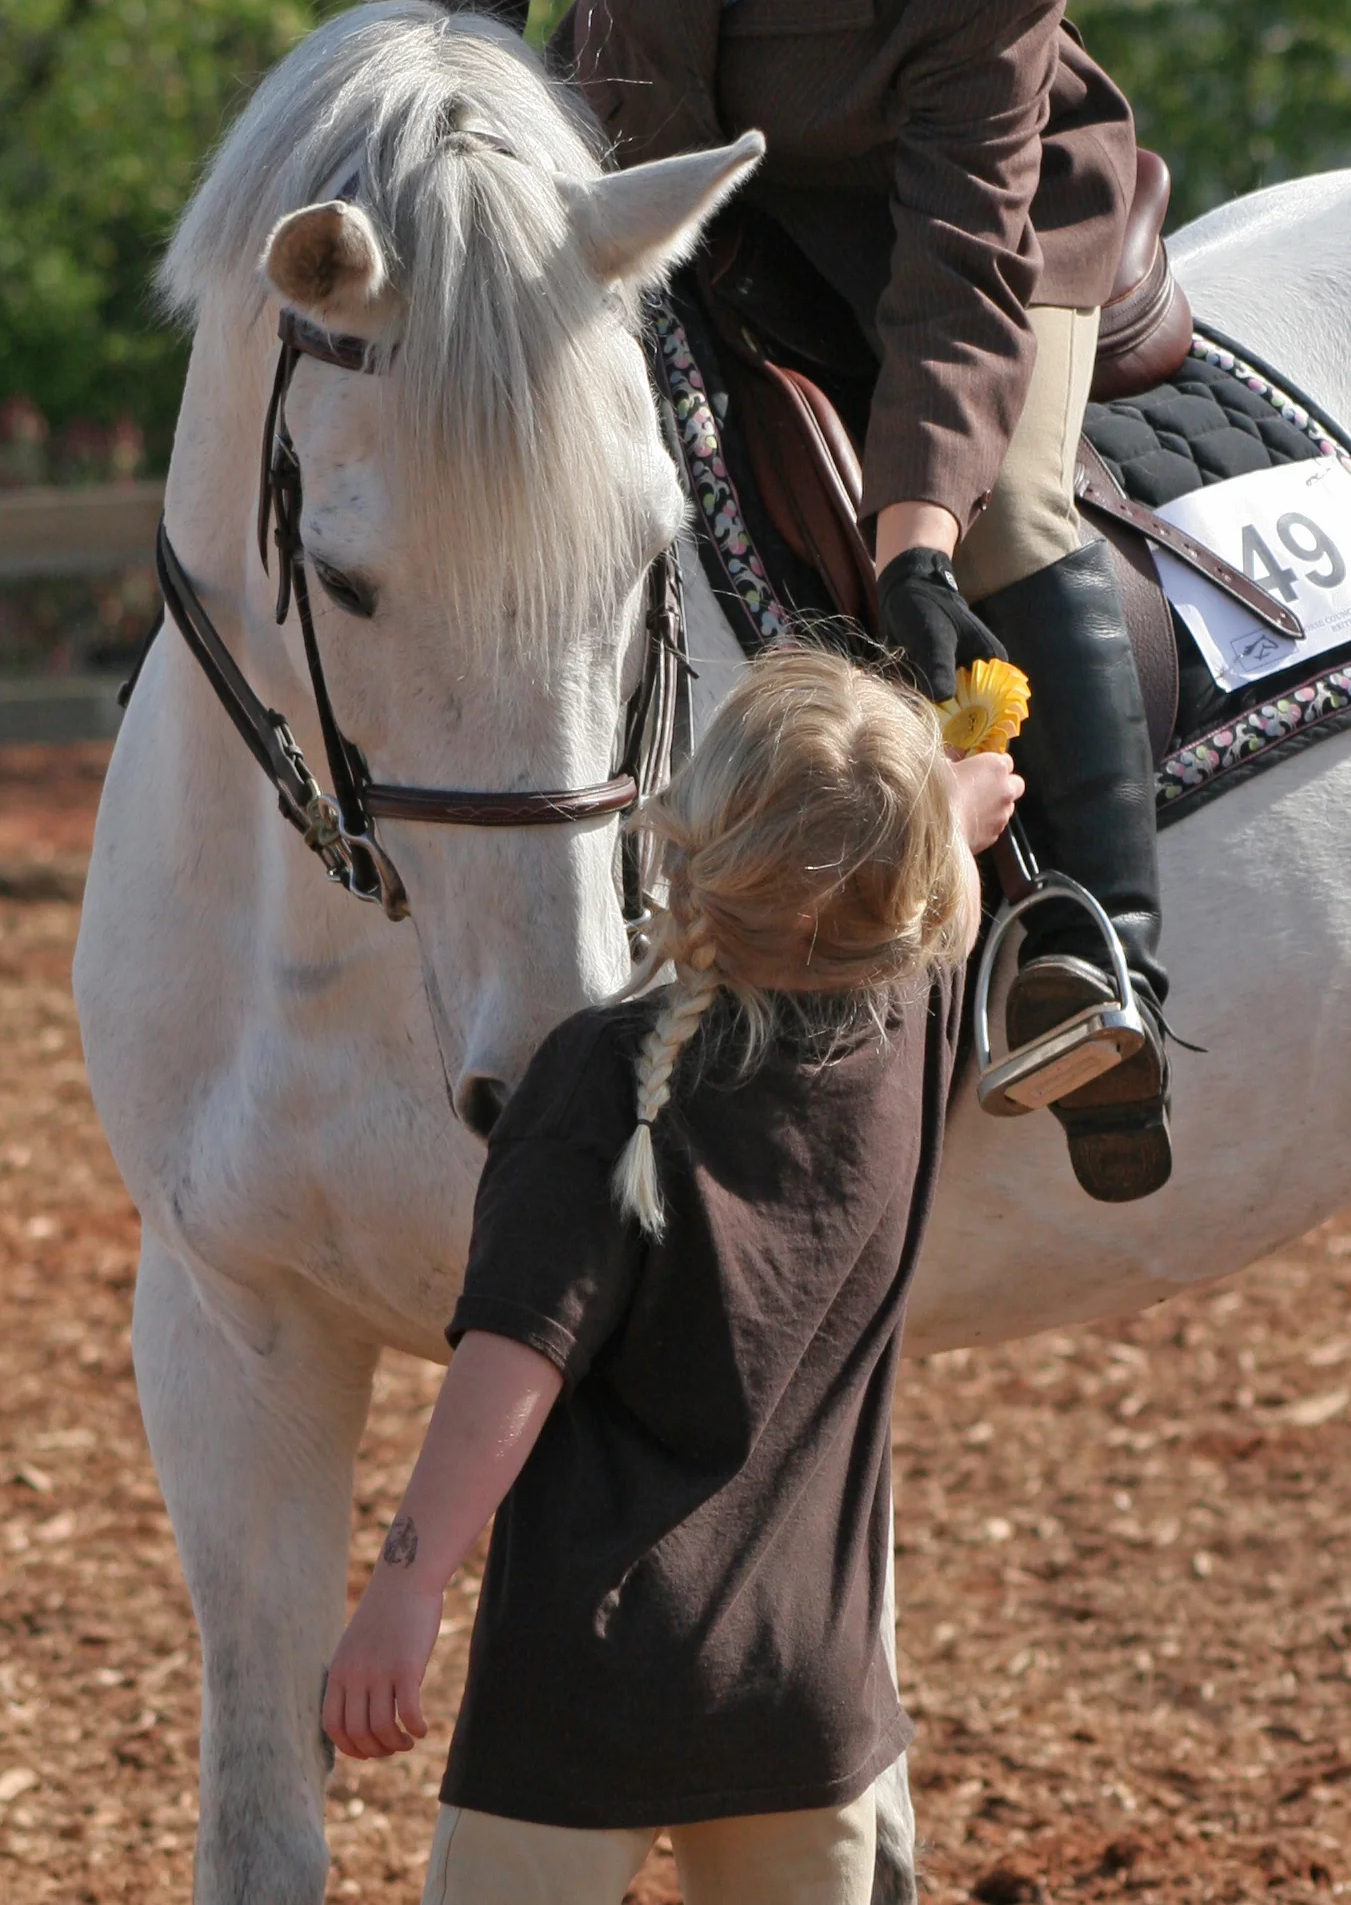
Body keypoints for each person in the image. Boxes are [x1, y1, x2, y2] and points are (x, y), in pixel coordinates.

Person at [402, 0, 1171, 1203]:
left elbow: (955, 277)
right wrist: (476, 71)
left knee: (1015, 513)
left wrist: (914, 546)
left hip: (965, 218)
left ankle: (1096, 941)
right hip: (677, 170)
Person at [323, 649, 1021, 1902]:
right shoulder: (908, 1032)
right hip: (805, 1698)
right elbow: (923, 902)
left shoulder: (603, 1078)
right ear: (906, 884)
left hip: (584, 1697)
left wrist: (406, 1586)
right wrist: (949, 811)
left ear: (693, 830)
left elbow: (511, 1365)